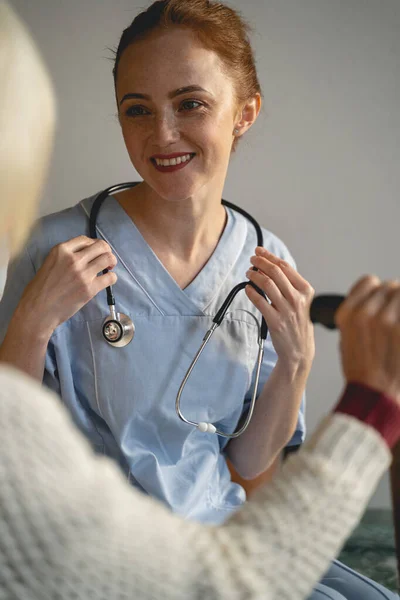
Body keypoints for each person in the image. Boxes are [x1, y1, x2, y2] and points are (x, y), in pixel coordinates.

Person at [0, 2, 398, 598]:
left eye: (191, 104)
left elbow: (245, 465)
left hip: (222, 536)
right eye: (138, 110)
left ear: (245, 112)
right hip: (105, 551)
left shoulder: (268, 258)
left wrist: (294, 365)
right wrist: (30, 328)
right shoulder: (56, 246)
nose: (162, 135)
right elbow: (11, 447)